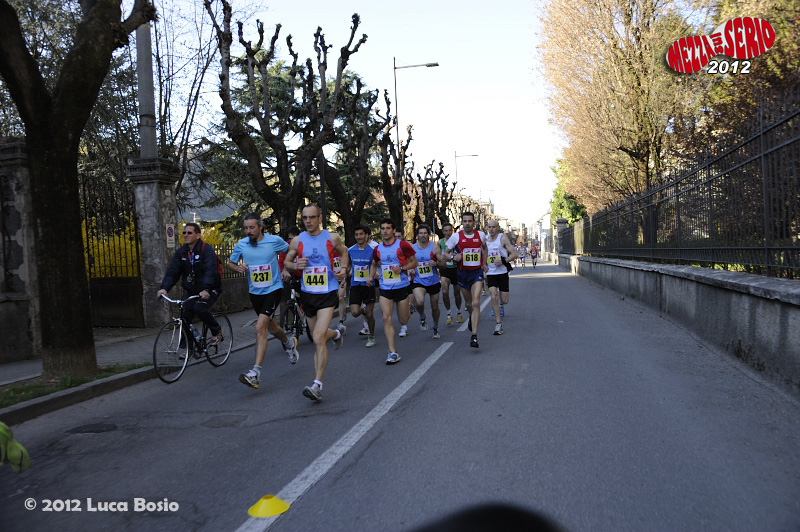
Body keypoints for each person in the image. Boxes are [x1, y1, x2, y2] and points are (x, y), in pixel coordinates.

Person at [284, 204, 349, 402]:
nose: (308, 221)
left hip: (327, 292)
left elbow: (344, 253)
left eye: (312, 217)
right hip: (308, 294)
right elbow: (287, 262)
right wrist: (295, 265)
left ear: (320, 218)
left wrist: (344, 269)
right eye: (305, 217)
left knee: (319, 337)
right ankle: (336, 334)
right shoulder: (297, 240)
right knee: (316, 338)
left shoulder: (332, 237)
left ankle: (317, 385)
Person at [228, 214, 300, 390]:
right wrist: (237, 267)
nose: (248, 231)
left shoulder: (274, 241)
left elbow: (291, 251)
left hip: (273, 290)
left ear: (260, 227)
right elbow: (230, 262)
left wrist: (285, 268)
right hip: (255, 292)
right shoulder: (242, 244)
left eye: (252, 228)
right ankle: (289, 344)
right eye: (246, 228)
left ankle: (255, 373)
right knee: (273, 328)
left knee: (260, 327)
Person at [157, 222, 223, 346]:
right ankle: (189, 348)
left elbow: (210, 271)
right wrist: (164, 288)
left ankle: (216, 330)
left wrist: (206, 289)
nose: (186, 235)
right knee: (184, 316)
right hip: (193, 290)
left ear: (198, 235)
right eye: (184, 232)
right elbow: (173, 272)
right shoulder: (182, 252)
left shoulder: (206, 250)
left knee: (199, 308)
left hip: (210, 288)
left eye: (189, 232)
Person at [367, 218, 418, 364]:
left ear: (393, 230)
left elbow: (415, 262)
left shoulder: (402, 245)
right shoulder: (378, 249)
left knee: (403, 320)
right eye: (382, 228)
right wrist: (370, 277)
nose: (385, 231)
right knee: (386, 318)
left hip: (401, 286)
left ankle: (408, 307)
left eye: (388, 228)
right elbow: (374, 264)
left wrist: (402, 268)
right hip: (385, 287)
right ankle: (392, 352)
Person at [444, 212, 488, 348]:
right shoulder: (456, 237)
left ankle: (474, 336)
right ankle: (471, 317)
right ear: (462, 222)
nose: (467, 223)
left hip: (476, 273)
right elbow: (445, 253)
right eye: (465, 221)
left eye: (470, 221)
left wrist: (484, 263)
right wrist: (453, 257)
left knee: (476, 302)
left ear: (474, 222)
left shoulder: (480, 235)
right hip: (463, 274)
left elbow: (485, 248)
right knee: (469, 304)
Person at [410, 224, 445, 339]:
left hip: (433, 280)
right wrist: (410, 269)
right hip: (418, 280)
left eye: (425, 233)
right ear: (417, 235)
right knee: (419, 302)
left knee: (434, 307)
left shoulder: (434, 247)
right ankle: (422, 316)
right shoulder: (412, 248)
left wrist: (436, 263)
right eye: (421, 233)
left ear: (428, 235)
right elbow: (407, 263)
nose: (423, 235)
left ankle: (435, 326)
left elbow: (443, 263)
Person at [485, 219, 518, 335]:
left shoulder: (502, 238)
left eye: (493, 227)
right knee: (493, 296)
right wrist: (483, 267)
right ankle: (498, 324)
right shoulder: (485, 240)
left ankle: (501, 305)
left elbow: (514, 254)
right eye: (489, 227)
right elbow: (481, 254)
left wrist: (503, 261)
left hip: (502, 272)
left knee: (504, 300)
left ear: (498, 228)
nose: (491, 229)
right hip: (490, 273)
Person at [347, 225, 378, 348]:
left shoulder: (373, 250)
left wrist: (373, 276)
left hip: (368, 285)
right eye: (357, 235)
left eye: (361, 234)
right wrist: (347, 273)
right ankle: (363, 310)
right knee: (355, 312)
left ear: (366, 235)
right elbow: (348, 265)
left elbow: (376, 265)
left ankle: (371, 337)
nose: (359, 237)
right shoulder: (350, 250)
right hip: (355, 285)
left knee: (370, 315)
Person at [438, 223, 465, 325]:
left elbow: (463, 252)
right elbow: (437, 255)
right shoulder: (440, 242)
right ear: (443, 232)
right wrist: (441, 259)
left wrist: (456, 255)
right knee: (445, 292)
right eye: (446, 231)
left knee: (457, 293)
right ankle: (449, 313)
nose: (448, 233)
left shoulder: (457, 241)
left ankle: (459, 311)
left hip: (456, 269)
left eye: (450, 230)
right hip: (445, 269)